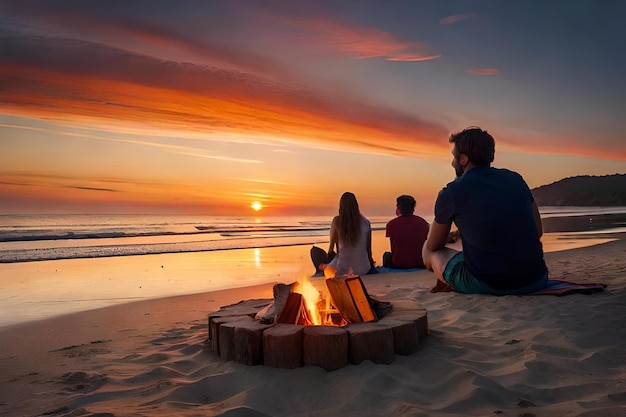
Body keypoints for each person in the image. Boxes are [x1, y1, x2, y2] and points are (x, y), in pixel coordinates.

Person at [422, 127, 548, 295]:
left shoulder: (452, 192)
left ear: (463, 159)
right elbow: (537, 230)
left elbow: (434, 245)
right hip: (537, 279)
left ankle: (449, 280)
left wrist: (444, 235)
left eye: (454, 157)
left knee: (428, 250)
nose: (452, 163)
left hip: (490, 284)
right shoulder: (516, 180)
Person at [311, 192, 376, 276]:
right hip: (364, 268)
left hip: (343, 269)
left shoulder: (337, 221)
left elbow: (331, 248)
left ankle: (322, 269)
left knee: (315, 252)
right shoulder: (366, 222)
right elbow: (368, 250)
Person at [382, 195, 430, 269]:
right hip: (420, 263)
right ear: (413, 208)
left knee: (386, 255)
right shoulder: (423, 223)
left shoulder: (392, 224)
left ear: (398, 207)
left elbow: (394, 248)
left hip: (399, 264)